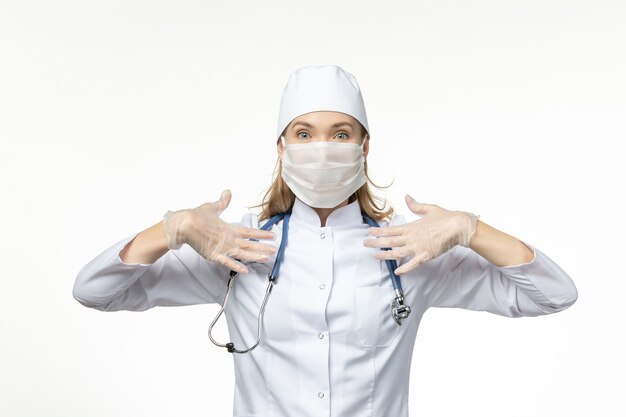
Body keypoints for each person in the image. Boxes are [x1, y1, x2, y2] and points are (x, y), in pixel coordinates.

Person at [72, 64, 578, 417]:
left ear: (363, 145)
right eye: (304, 133)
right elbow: (95, 290)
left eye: (340, 134)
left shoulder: (409, 249)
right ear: (281, 147)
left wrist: (470, 228)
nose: (322, 148)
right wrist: (172, 229)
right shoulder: (236, 247)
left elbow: (553, 294)